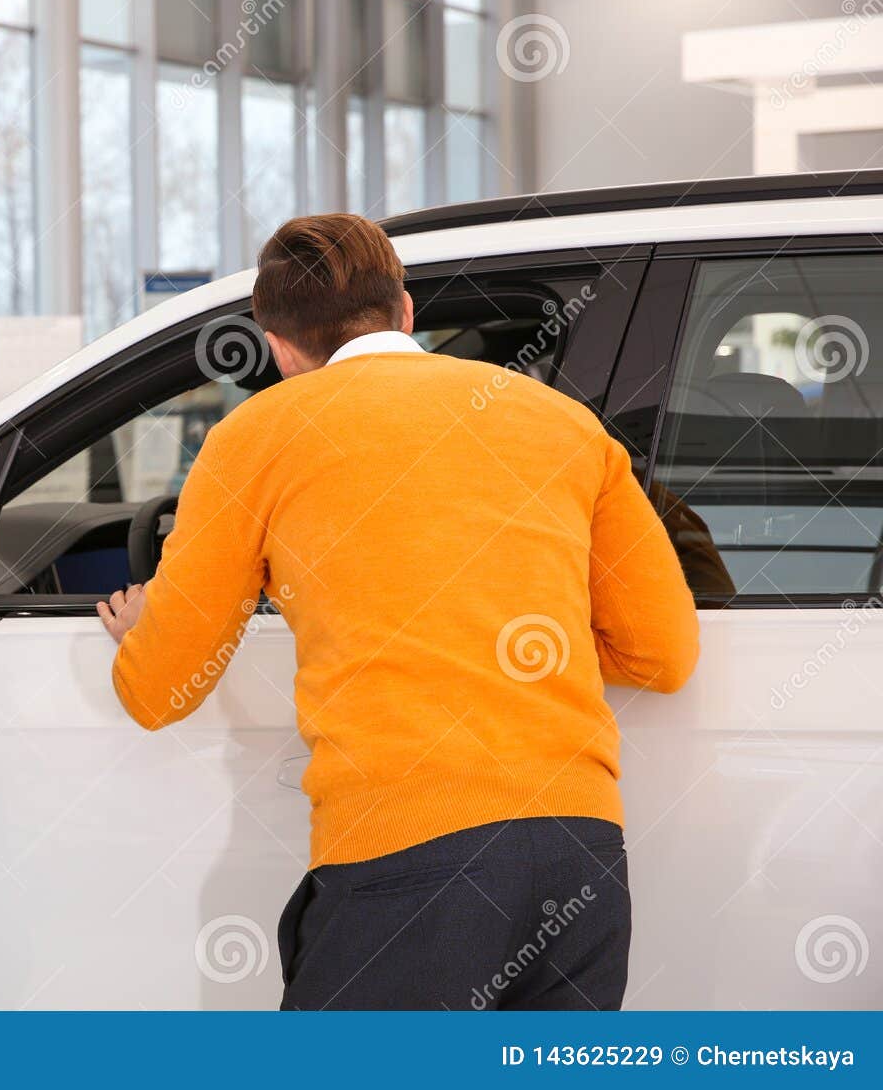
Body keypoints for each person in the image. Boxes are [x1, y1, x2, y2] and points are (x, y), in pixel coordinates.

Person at [96, 213, 699, 1010]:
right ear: (406, 312)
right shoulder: (564, 425)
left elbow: (160, 692)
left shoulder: (257, 436)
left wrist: (144, 636)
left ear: (275, 346)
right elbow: (665, 654)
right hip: (578, 851)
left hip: (406, 862)